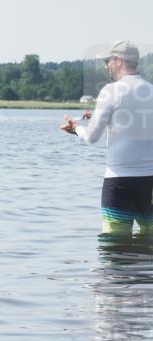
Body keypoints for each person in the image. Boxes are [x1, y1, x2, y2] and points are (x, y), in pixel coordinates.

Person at [61, 41, 153, 236]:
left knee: (114, 250)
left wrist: (76, 128)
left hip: (119, 182)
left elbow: (92, 137)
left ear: (119, 61)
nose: (105, 66)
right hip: (150, 182)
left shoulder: (110, 91)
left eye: (107, 61)